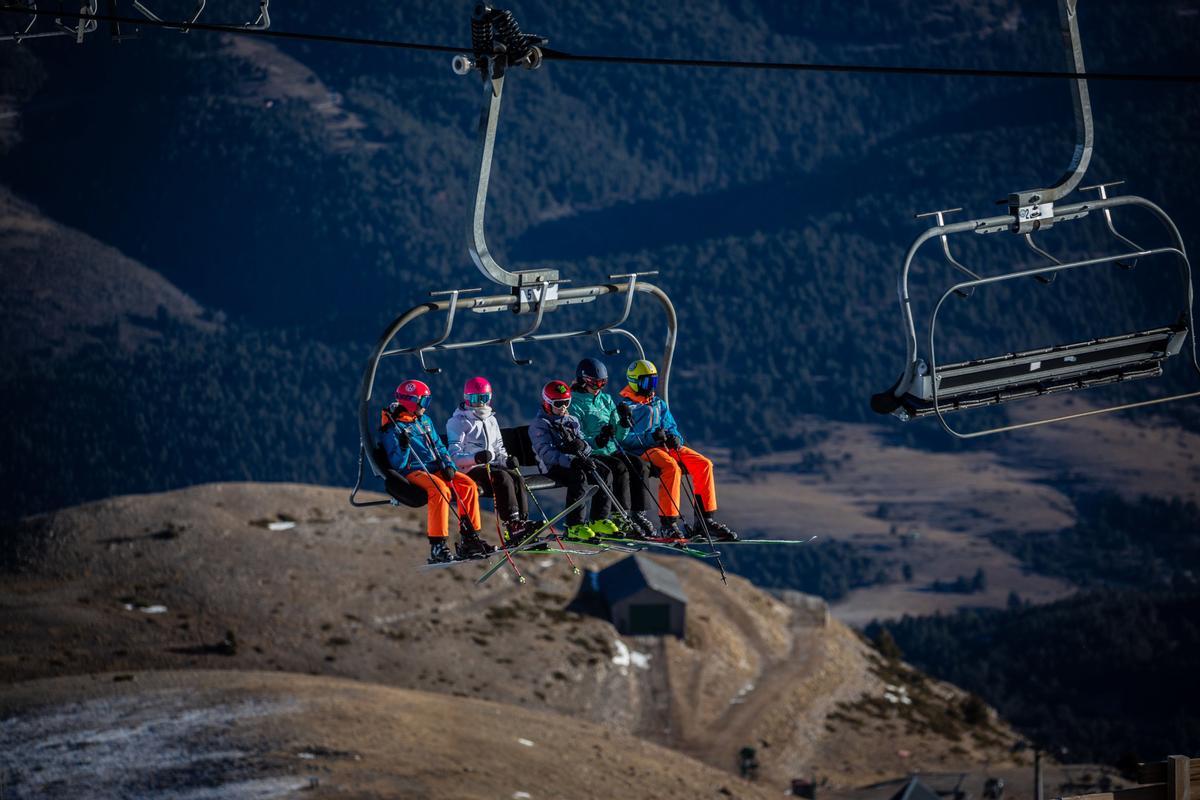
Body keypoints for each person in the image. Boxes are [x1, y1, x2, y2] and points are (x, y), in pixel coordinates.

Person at [616, 360, 738, 541]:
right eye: (646, 382)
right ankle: (668, 523)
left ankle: (704, 521)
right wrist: (653, 438)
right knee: (671, 467)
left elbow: (671, 427)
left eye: (653, 382)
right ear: (634, 382)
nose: (650, 387)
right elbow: (624, 439)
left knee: (703, 464)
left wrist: (675, 439)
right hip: (643, 449)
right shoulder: (627, 408)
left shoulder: (659, 404)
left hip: (665, 445)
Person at [379, 379, 496, 564]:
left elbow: (439, 446)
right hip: (413, 471)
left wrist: (449, 464)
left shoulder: (424, 421)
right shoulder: (393, 428)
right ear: (411, 402)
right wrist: (403, 446)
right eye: (423, 402)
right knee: (440, 489)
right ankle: (438, 545)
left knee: (468, 485)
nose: (426, 407)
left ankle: (470, 538)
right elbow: (398, 463)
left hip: (435, 468)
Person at [569, 357, 655, 538]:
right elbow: (577, 435)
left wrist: (623, 422)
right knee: (618, 468)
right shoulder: (574, 403)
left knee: (639, 465)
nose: (599, 387)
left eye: (603, 383)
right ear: (583, 380)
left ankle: (638, 514)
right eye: (595, 383)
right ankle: (618, 515)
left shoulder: (605, 400)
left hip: (610, 449)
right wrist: (598, 439)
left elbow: (619, 436)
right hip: (592, 453)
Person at [445, 376, 533, 547]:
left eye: (484, 398)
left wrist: (506, 461)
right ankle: (512, 524)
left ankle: (522, 523)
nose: (480, 404)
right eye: (475, 399)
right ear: (466, 398)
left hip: (488, 464)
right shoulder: (458, 422)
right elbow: (454, 456)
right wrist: (475, 458)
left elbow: (498, 447)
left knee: (517, 477)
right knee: (502, 477)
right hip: (469, 469)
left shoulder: (491, 419)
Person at [527, 380, 620, 541]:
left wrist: (589, 444)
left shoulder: (571, 420)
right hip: (553, 467)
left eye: (566, 402)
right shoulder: (540, 425)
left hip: (574, 462)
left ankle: (598, 519)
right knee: (579, 477)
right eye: (558, 403)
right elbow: (547, 453)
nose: (563, 407)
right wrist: (572, 460)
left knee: (604, 471)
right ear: (548, 404)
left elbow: (585, 445)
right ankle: (574, 525)